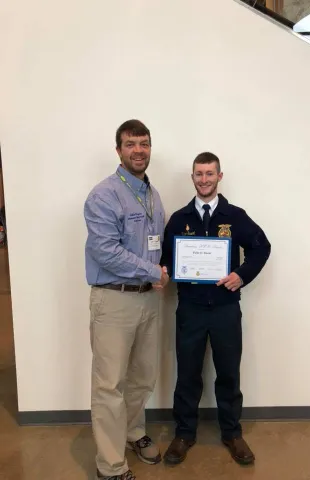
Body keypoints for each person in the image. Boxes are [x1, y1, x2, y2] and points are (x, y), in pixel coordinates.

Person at [160, 152, 271, 466]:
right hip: (191, 310)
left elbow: (262, 247)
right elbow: (166, 258)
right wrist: (164, 271)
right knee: (187, 375)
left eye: (210, 174)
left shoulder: (234, 216)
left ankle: (232, 434)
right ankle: (184, 434)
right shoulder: (180, 218)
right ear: (192, 177)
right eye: (199, 174)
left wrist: (242, 275)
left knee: (228, 374)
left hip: (225, 310)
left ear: (219, 176)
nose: (204, 179)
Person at [84, 119, 169, 480]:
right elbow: (105, 251)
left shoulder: (152, 193)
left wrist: (165, 268)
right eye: (131, 144)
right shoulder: (103, 195)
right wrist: (154, 272)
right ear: (118, 150)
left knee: (143, 377)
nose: (139, 150)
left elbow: (156, 245)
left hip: (149, 301)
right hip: (114, 302)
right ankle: (110, 465)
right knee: (109, 385)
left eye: (144, 143)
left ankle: (133, 433)